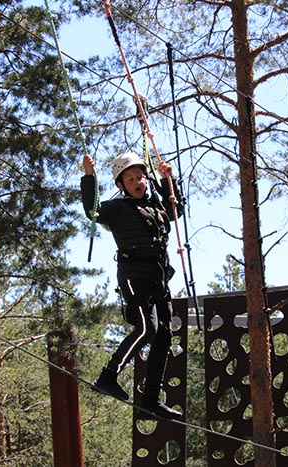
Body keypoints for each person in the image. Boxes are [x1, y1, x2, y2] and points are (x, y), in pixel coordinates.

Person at [81, 151, 183, 421]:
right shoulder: (117, 208)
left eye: (141, 177)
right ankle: (108, 375)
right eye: (131, 179)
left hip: (158, 277)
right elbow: (92, 211)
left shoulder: (155, 207)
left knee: (163, 334)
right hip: (133, 275)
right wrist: (89, 177)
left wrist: (166, 181)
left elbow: (176, 211)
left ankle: (151, 399)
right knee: (147, 328)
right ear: (120, 185)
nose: (138, 182)